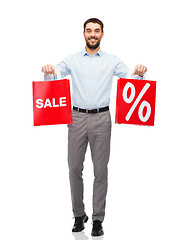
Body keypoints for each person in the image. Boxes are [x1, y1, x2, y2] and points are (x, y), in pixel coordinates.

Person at [42, 18, 147, 237]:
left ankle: (98, 219)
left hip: (102, 119)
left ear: (102, 34)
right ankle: (79, 216)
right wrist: (49, 70)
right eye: (89, 30)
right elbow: (54, 77)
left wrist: (139, 72)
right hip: (76, 118)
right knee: (73, 169)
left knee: (101, 171)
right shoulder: (72, 59)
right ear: (83, 34)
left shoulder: (112, 60)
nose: (92, 34)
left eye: (96, 31)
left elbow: (131, 78)